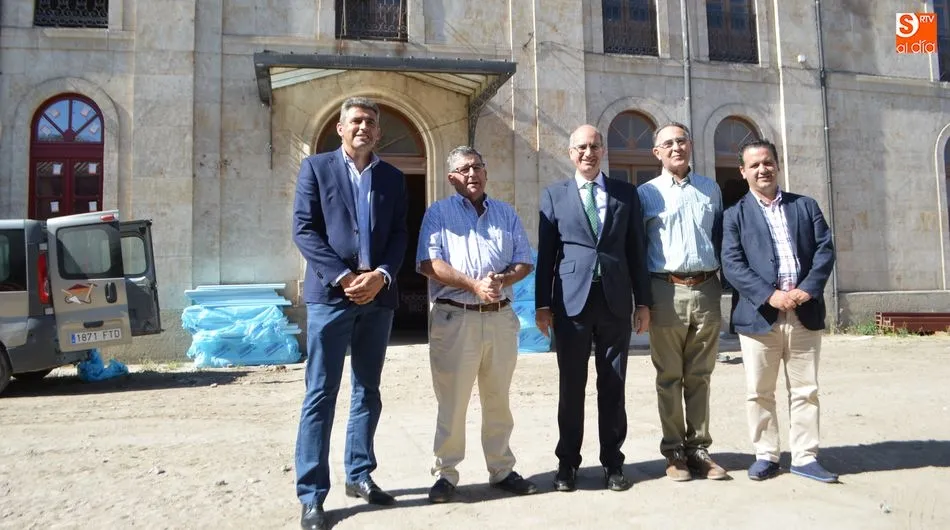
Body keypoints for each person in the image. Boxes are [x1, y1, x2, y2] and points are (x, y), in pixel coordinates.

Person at [292, 97, 408, 530]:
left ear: (378, 132)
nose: (363, 127)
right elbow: (304, 230)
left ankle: (359, 475)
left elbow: (399, 234)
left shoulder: (393, 179)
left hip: (378, 298)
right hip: (331, 297)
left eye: (370, 122)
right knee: (320, 394)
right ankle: (312, 495)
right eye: (355, 121)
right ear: (340, 128)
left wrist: (381, 274)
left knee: (367, 390)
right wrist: (343, 277)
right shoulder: (316, 169)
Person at [416, 146, 539, 503]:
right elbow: (427, 262)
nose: (472, 174)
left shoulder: (506, 213)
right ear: (452, 177)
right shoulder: (437, 213)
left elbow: (524, 262)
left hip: (500, 318)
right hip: (455, 318)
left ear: (486, 172)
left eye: (478, 167)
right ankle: (446, 474)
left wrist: (500, 280)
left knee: (498, 399)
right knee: (452, 401)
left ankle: (501, 469)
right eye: (464, 169)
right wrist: (473, 285)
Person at [535, 125, 652, 493]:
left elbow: (637, 251)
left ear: (603, 151)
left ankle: (613, 463)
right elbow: (547, 256)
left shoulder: (625, 194)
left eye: (595, 146)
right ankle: (567, 463)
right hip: (571, 305)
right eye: (582, 147)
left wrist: (643, 301)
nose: (589, 152)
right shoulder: (555, 195)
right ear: (571, 153)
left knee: (613, 385)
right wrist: (541, 305)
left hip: (615, 302)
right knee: (572, 385)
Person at [721, 139, 838, 483]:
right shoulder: (734, 215)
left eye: (768, 162)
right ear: (743, 172)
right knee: (759, 390)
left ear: (777, 164)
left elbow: (824, 251)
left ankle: (804, 456)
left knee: (805, 390)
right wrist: (769, 295)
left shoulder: (806, 206)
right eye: (754, 165)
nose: (762, 169)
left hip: (804, 312)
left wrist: (806, 290)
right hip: (760, 316)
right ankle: (766, 455)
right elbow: (732, 264)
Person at [637, 122, 728, 482]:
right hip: (665, 289)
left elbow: (720, 236)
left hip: (707, 288)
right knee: (670, 375)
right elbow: (638, 247)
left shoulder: (710, 189)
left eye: (681, 141)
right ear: (656, 153)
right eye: (668, 143)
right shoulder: (645, 194)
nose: (676, 147)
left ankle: (700, 449)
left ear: (690, 146)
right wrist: (640, 300)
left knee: (701, 375)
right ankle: (674, 451)